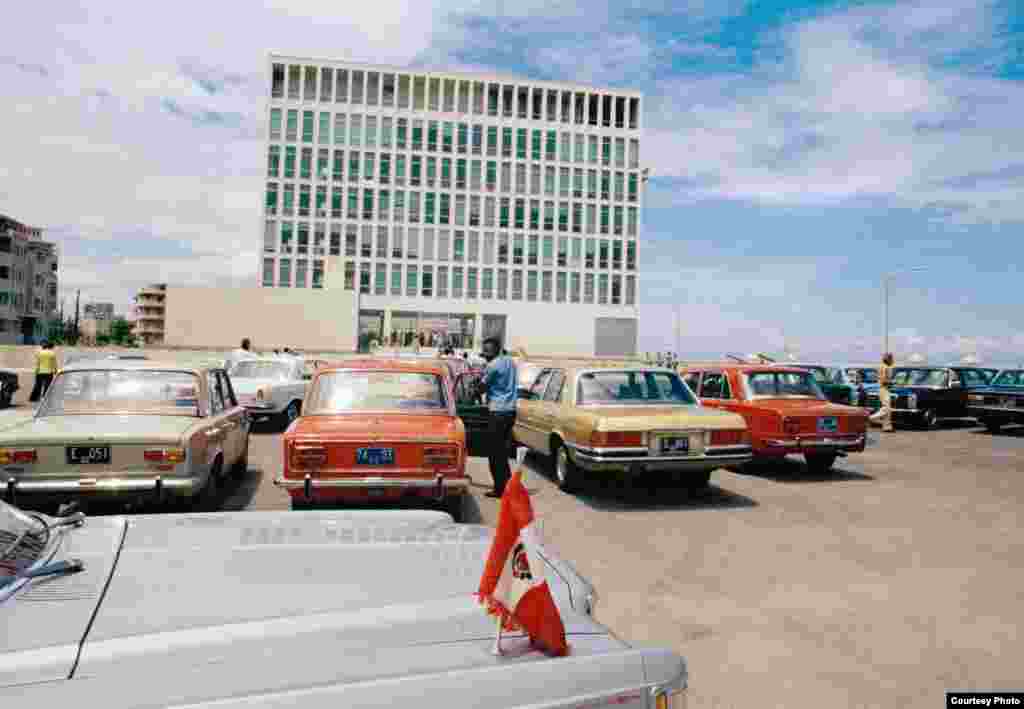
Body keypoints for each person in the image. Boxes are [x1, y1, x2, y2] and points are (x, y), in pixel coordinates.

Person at [478, 337, 518, 497]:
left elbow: (481, 388)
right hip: (510, 411)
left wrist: (476, 387)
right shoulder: (510, 362)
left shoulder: (492, 366)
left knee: (495, 453)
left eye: (487, 352)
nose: (486, 355)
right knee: (501, 452)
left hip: (497, 412)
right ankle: (507, 486)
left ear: (494, 351)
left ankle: (501, 489)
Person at [870, 353, 895, 432]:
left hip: (882, 389)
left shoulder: (881, 366)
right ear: (888, 359)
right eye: (891, 359)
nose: (893, 360)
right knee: (886, 409)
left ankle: (887, 427)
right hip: (884, 389)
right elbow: (884, 380)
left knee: (887, 409)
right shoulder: (886, 367)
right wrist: (892, 382)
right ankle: (869, 418)